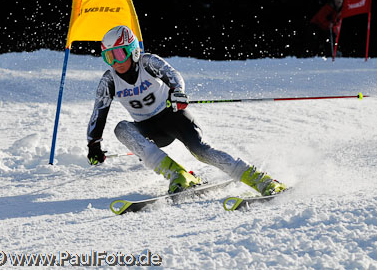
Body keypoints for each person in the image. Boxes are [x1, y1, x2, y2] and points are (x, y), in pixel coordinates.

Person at [86, 25, 286, 195]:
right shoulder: (109, 80)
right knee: (121, 128)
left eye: (119, 54)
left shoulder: (148, 63)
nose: (116, 62)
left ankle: (261, 180)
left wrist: (177, 93)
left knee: (201, 151)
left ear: (133, 50)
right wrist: (93, 143)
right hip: (150, 130)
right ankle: (178, 174)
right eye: (109, 57)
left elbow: (173, 75)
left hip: (173, 116)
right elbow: (99, 113)